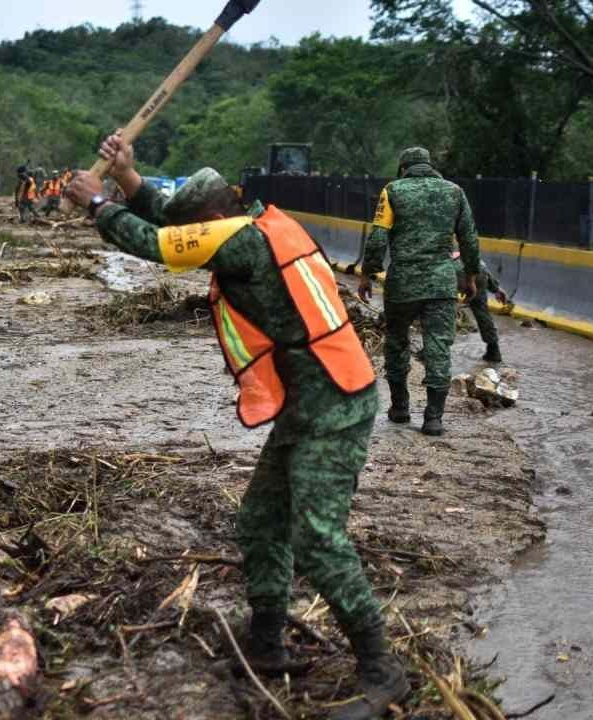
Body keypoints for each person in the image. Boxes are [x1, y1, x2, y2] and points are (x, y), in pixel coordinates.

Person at [64, 132, 408, 720]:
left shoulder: (246, 246)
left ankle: (383, 670)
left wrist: (99, 204)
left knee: (317, 538)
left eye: (199, 226)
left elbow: (160, 244)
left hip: (335, 405)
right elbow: (177, 229)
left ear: (218, 216)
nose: (196, 238)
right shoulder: (258, 222)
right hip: (311, 400)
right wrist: (127, 176)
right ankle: (267, 645)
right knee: (259, 523)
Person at [359, 147, 480, 437]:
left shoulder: (393, 191)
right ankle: (433, 418)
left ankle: (400, 408)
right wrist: (470, 276)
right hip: (441, 283)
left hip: (403, 283)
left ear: (403, 168)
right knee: (438, 346)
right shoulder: (454, 192)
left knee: (397, 343)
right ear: (429, 165)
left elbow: (377, 238)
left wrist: (368, 274)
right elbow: (469, 238)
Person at [461, 259, 507, 362]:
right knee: (482, 312)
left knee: (435, 309)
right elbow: (478, 263)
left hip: (455, 273)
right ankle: (493, 350)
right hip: (479, 270)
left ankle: (434, 349)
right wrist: (496, 288)